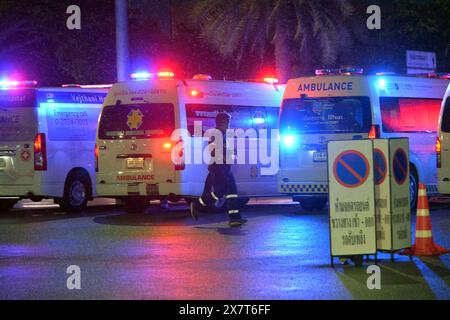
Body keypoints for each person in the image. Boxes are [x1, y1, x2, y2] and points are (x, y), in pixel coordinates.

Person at [190, 112, 247, 227]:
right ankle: (196, 204)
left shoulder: (223, 134)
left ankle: (235, 218)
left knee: (232, 193)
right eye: (228, 122)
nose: (229, 124)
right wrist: (226, 158)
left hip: (225, 168)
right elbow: (213, 151)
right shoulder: (216, 134)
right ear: (222, 122)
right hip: (218, 168)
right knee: (218, 193)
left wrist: (232, 153)